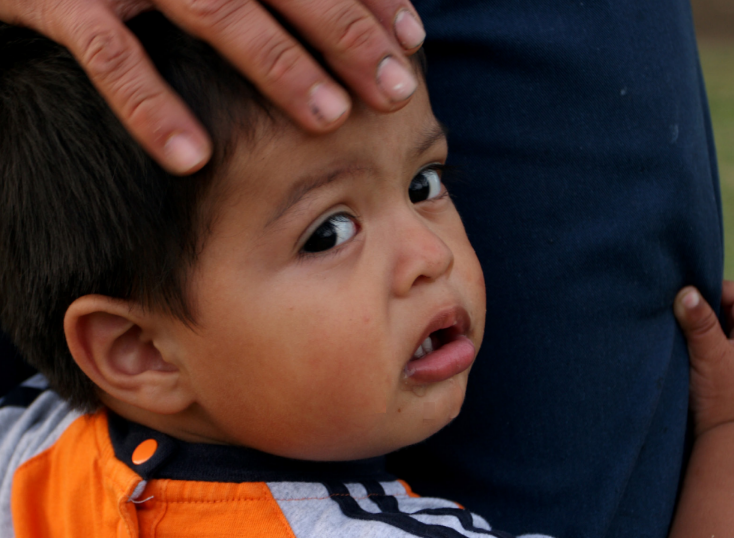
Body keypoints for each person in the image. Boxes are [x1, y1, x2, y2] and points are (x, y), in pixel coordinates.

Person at [0, 1, 722, 537]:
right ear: (139, 350)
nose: (430, 256)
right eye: (330, 232)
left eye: (426, 184)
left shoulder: (26, 455)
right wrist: (723, 436)